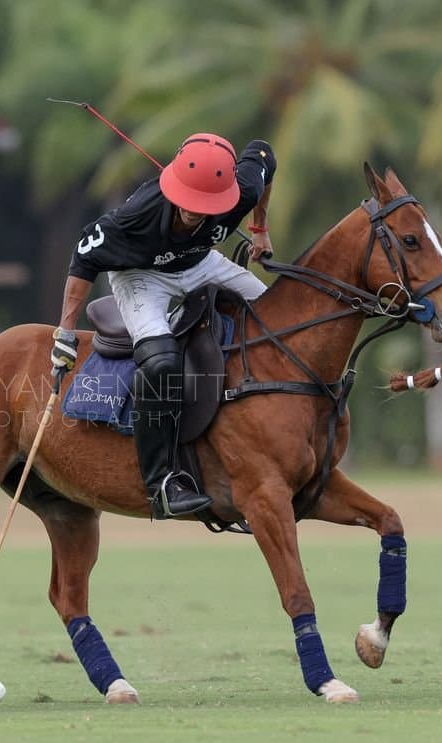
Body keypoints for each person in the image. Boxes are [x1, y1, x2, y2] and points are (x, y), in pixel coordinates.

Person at [51, 132, 276, 519]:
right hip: (141, 277)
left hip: (200, 262)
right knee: (160, 362)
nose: (194, 211)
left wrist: (259, 227)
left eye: (205, 204)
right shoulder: (135, 217)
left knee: (275, 319)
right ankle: (163, 483)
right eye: (188, 201)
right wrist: (65, 334)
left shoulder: (242, 190)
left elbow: (263, 154)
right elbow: (83, 256)